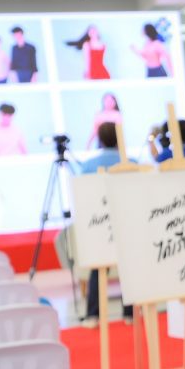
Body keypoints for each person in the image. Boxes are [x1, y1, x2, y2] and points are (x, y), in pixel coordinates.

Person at [79, 123, 134, 328]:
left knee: (98, 269)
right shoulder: (132, 163)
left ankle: (93, 315)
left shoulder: (88, 166)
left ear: (100, 139)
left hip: (99, 224)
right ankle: (130, 313)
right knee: (127, 267)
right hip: (126, 222)